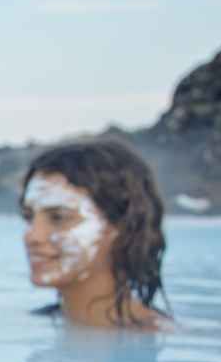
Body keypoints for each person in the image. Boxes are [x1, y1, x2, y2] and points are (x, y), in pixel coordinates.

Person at [18, 138, 171, 330]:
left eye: (58, 217)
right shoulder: (29, 325)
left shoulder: (160, 336)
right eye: (29, 217)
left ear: (121, 227)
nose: (31, 236)